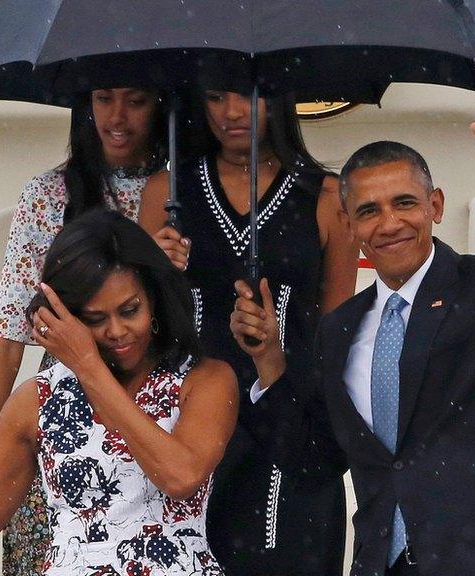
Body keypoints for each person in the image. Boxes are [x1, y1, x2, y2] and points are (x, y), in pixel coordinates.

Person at [232, 70, 475, 576]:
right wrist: (269, 362)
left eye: (404, 202)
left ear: (436, 206)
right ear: (351, 225)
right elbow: (313, 463)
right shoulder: (338, 331)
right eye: (368, 210)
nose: (389, 223)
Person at [0, 210, 237, 576]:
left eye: (130, 310)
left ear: (153, 299)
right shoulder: (36, 400)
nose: (117, 330)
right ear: (65, 315)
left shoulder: (205, 381)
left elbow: (180, 476)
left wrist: (89, 367)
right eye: (95, 319)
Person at [139, 90, 359, 575]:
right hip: (189, 422)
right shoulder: (167, 192)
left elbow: (337, 335)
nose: (232, 113)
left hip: (293, 423)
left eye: (249, 98)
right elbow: (137, 329)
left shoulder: (325, 197)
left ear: (279, 100)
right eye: (216, 97)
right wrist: (154, 272)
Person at [0, 87, 185, 575]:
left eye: (137, 100)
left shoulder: (189, 193)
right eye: (103, 99)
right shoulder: (49, 195)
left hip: (161, 407)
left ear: (164, 106)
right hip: (66, 415)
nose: (118, 116)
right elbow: (7, 336)